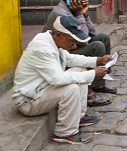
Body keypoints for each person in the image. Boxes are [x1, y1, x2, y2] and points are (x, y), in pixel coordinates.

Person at [13, 15, 113, 144]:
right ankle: (65, 133)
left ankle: (78, 117)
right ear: (59, 34)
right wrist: (93, 74)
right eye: (72, 39)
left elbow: (71, 59)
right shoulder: (42, 47)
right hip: (29, 102)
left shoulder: (53, 41)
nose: (74, 43)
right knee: (71, 89)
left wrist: (98, 60)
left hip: (43, 90)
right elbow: (58, 79)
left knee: (80, 70)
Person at [43, 0, 115, 107]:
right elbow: (84, 40)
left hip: (73, 46)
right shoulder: (61, 12)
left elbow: (93, 33)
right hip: (62, 54)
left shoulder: (73, 8)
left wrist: (85, 15)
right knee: (96, 46)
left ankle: (98, 83)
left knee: (103, 38)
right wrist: (79, 14)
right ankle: (89, 94)